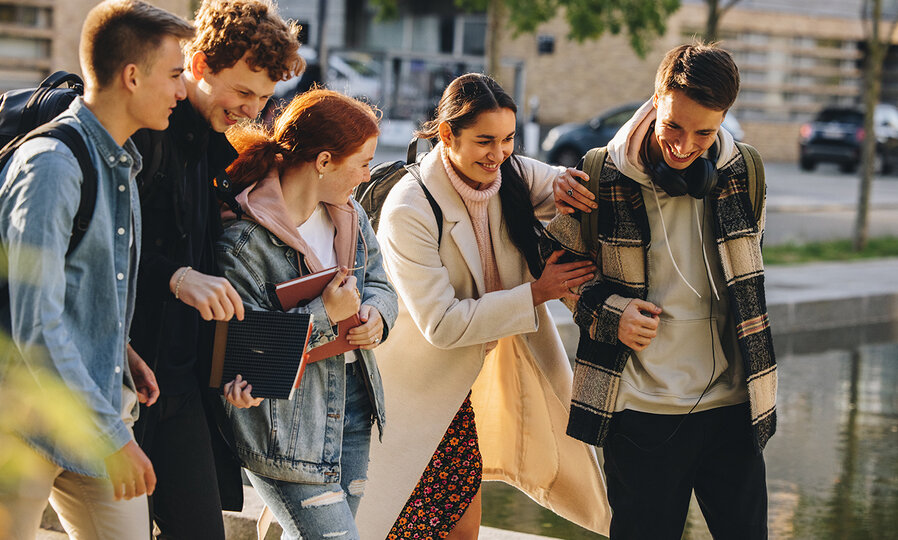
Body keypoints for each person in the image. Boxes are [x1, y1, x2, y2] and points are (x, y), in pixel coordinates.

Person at [0, 1, 194, 538]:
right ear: (132, 76)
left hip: (87, 417)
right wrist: (113, 437)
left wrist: (119, 351)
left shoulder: (122, 164)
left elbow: (78, 286)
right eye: (175, 75)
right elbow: (36, 323)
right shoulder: (53, 167)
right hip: (11, 427)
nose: (182, 91)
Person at [358, 73, 611, 540]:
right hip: (412, 390)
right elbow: (442, 324)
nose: (498, 153)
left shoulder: (508, 174)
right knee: (402, 525)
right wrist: (537, 292)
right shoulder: (409, 208)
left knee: (463, 528)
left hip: (464, 387)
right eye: (485, 141)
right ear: (448, 134)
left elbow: (568, 181)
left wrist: (571, 189)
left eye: (509, 138)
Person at [552, 43, 776, 539]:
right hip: (640, 412)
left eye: (705, 132)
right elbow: (559, 274)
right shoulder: (596, 174)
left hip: (735, 407)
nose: (684, 144)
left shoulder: (747, 173)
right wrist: (611, 314)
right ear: (656, 100)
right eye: (673, 125)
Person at [128, 1, 304, 537]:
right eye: (243, 92)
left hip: (178, 384)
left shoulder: (212, 149)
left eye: (265, 99)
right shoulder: (141, 131)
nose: (251, 110)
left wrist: (234, 368)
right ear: (199, 64)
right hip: (120, 369)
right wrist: (177, 278)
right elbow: (103, 253)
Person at [214, 88, 397, 539]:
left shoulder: (349, 214)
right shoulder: (243, 241)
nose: (367, 174)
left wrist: (376, 317)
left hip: (354, 409)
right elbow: (241, 346)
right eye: (363, 162)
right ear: (323, 161)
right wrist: (324, 313)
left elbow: (380, 284)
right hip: (286, 426)